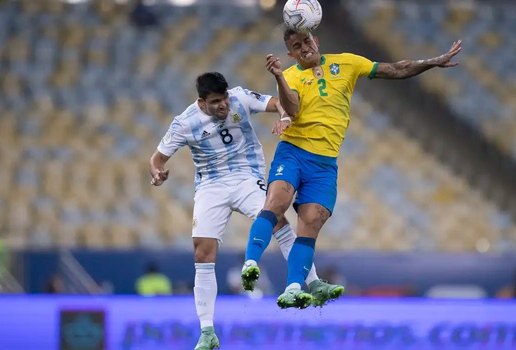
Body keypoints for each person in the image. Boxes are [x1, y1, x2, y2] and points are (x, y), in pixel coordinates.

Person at [241, 28, 462, 309]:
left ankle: (294, 287)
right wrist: (278, 76)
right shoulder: (292, 75)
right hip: (294, 153)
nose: (304, 48)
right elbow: (293, 110)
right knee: (276, 203)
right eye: (296, 46)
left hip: (324, 164)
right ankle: (250, 263)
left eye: (306, 41)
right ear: (291, 54)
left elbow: (396, 69)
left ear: (316, 40)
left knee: (310, 222)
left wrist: (433, 62)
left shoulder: (347, 62)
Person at [149, 72, 341, 350]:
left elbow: (277, 102)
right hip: (211, 185)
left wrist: (285, 115)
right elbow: (157, 158)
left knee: (278, 220)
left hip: (246, 176)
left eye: (224, 98)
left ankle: (312, 283)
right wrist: (157, 171)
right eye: (215, 102)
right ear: (202, 102)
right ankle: (207, 332)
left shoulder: (239, 97)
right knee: (202, 250)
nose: (223, 105)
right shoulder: (184, 123)